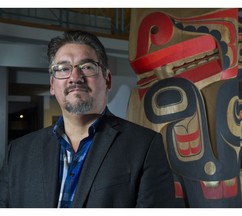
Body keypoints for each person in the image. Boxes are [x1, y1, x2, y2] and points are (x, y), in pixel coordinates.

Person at [0, 30, 177, 208]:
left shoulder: (144, 146)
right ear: (52, 85)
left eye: (87, 67)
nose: (75, 77)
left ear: (107, 80)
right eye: (63, 68)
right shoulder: (18, 152)